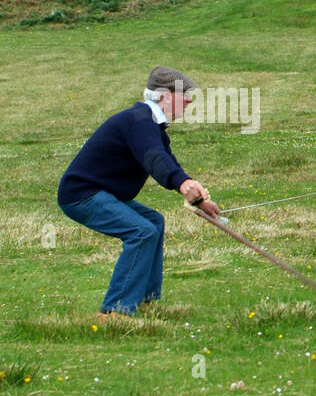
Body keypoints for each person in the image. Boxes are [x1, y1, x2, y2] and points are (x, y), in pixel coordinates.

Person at [57, 66, 221, 320]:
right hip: (82, 195)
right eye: (184, 94)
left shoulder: (152, 126)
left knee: (154, 222)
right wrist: (182, 184)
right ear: (164, 95)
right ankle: (116, 311)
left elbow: (169, 163)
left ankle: (145, 301)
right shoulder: (140, 120)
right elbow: (153, 158)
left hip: (103, 194)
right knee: (141, 231)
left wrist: (199, 201)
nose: (189, 100)